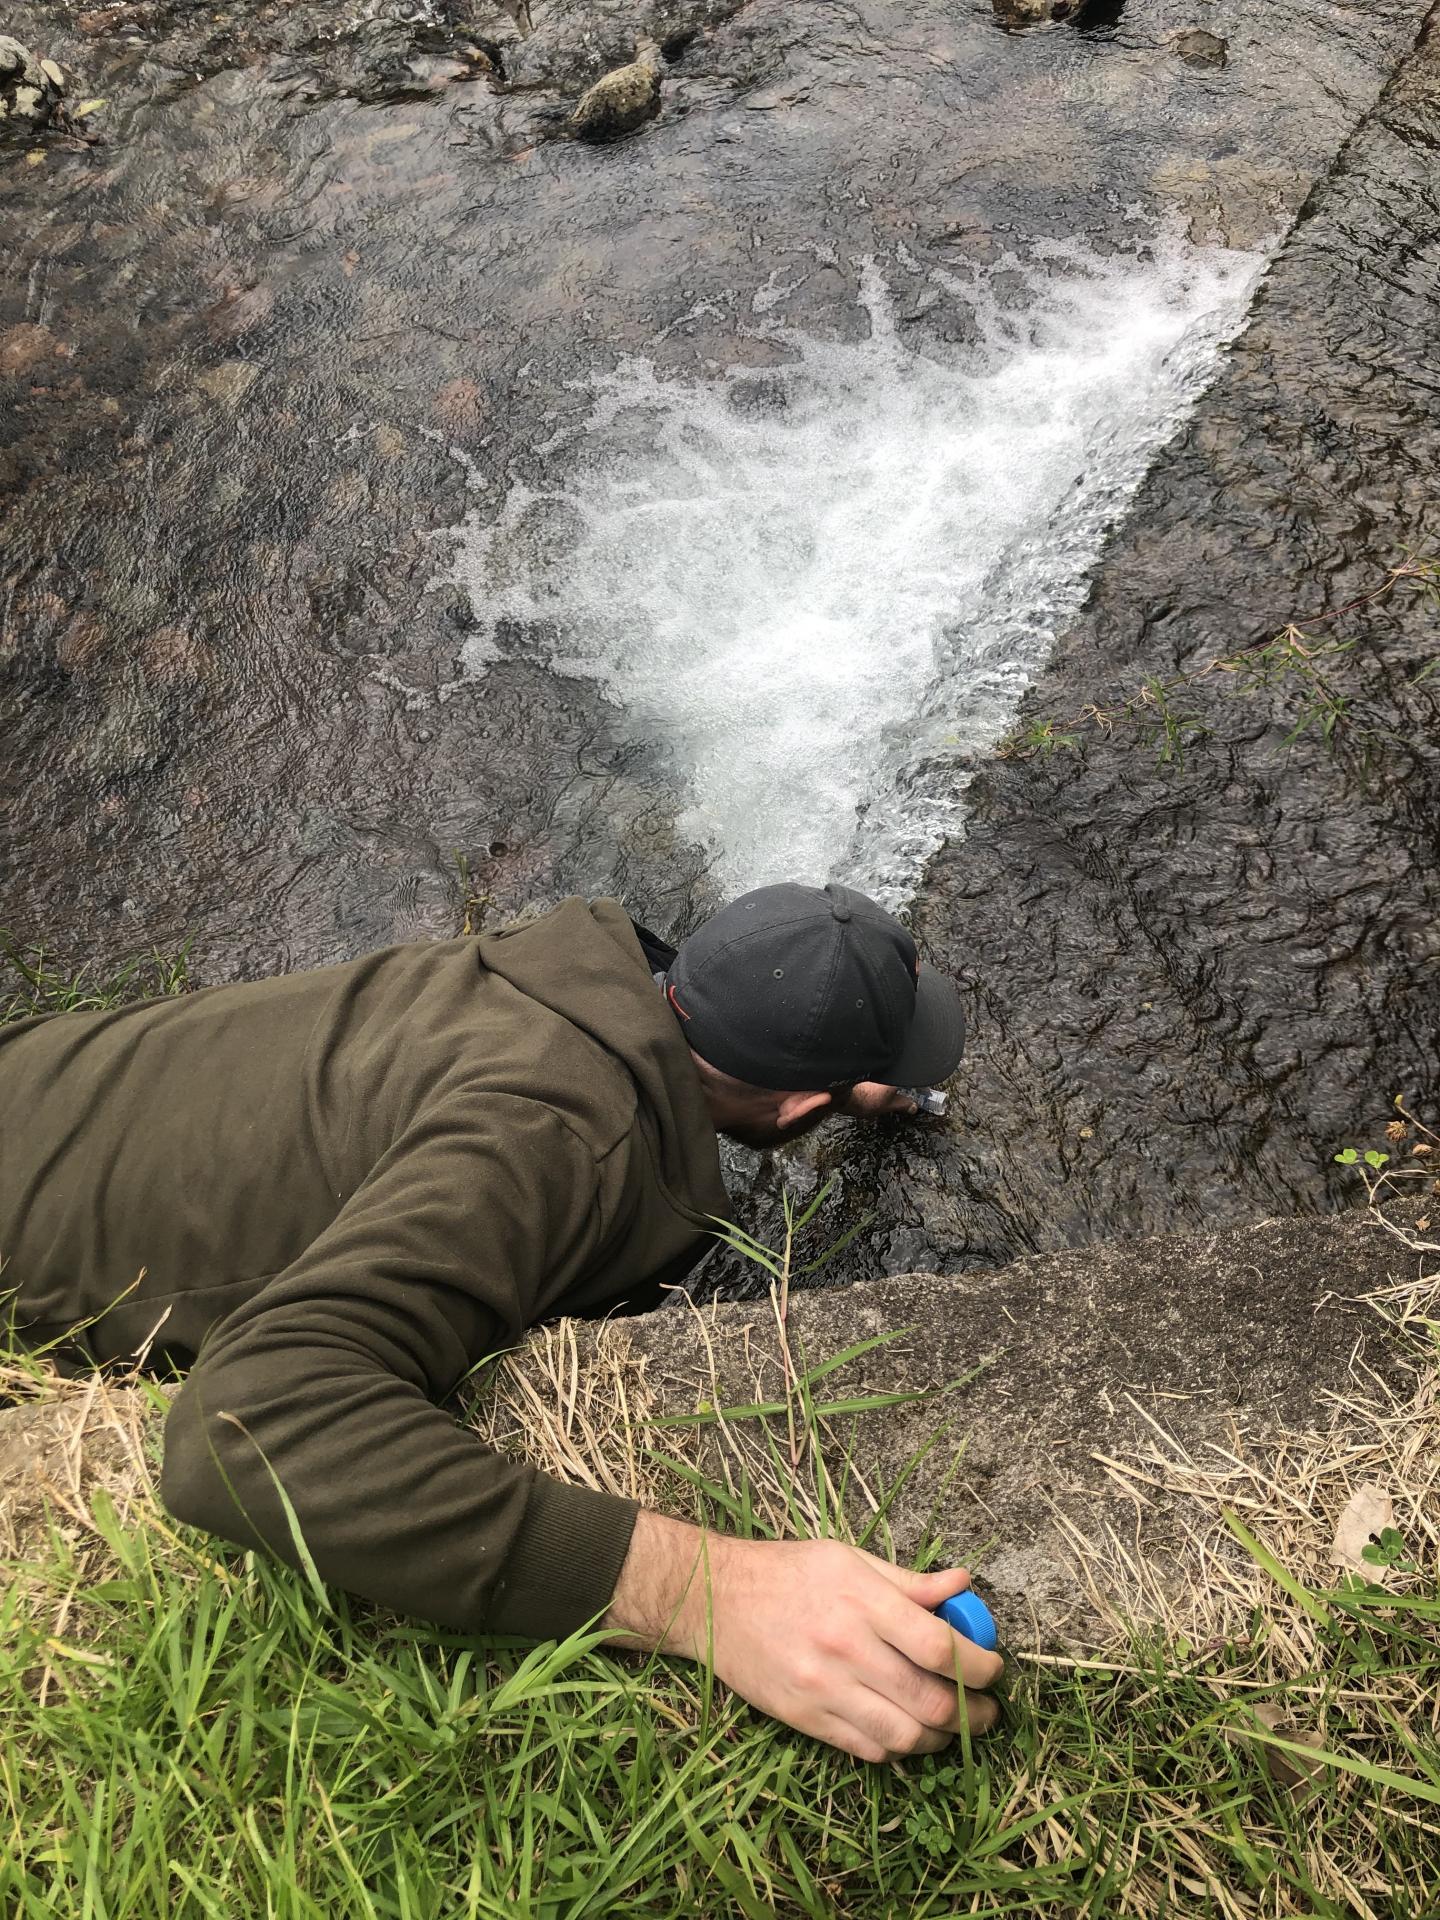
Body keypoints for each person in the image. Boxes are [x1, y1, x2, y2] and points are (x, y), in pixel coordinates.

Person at [0, 881, 1002, 1761]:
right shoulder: (556, 1140)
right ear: (789, 1112)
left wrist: (816, 1079)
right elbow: (248, 1430)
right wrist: (710, 1595)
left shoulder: (551, 972)